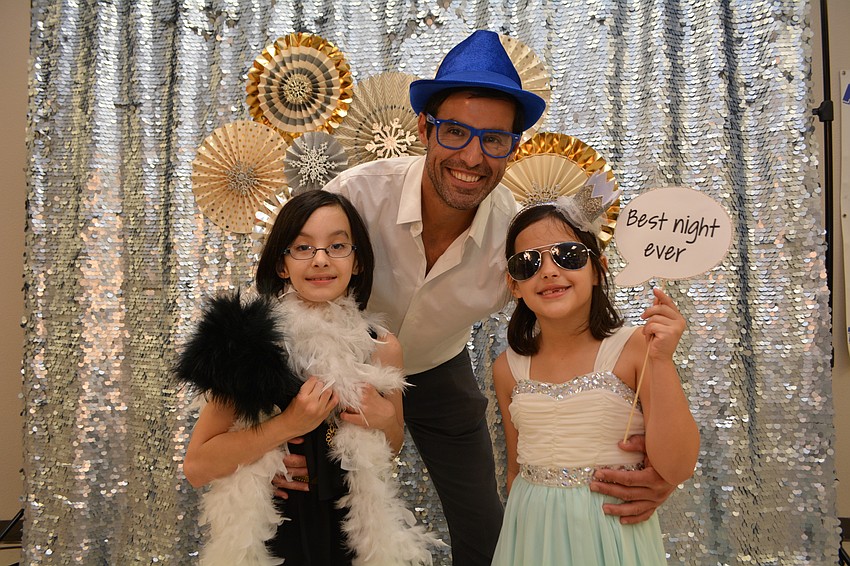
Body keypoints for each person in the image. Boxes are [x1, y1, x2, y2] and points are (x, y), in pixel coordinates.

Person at [275, 30, 677, 565]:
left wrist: (659, 470)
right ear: (424, 129)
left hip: (439, 368)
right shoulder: (355, 195)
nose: (473, 155)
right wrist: (266, 426)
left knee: (487, 527)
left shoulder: (517, 239)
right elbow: (279, 289)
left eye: (494, 139)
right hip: (332, 368)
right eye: (456, 131)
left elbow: (573, 327)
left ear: (513, 148)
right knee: (315, 511)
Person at [180, 190, 441, 565]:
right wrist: (287, 426)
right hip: (277, 530)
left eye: (337, 245)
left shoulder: (381, 346)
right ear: (282, 265)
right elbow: (197, 466)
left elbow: (393, 443)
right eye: (303, 248)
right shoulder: (249, 345)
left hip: (356, 530)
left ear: (358, 261)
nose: (321, 259)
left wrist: (384, 418)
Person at [490, 190, 700, 565]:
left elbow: (677, 467)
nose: (549, 270)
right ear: (514, 285)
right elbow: (516, 471)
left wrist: (663, 362)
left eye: (568, 255)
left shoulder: (637, 347)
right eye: (528, 263)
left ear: (598, 268)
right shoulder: (507, 368)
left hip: (611, 537)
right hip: (531, 537)